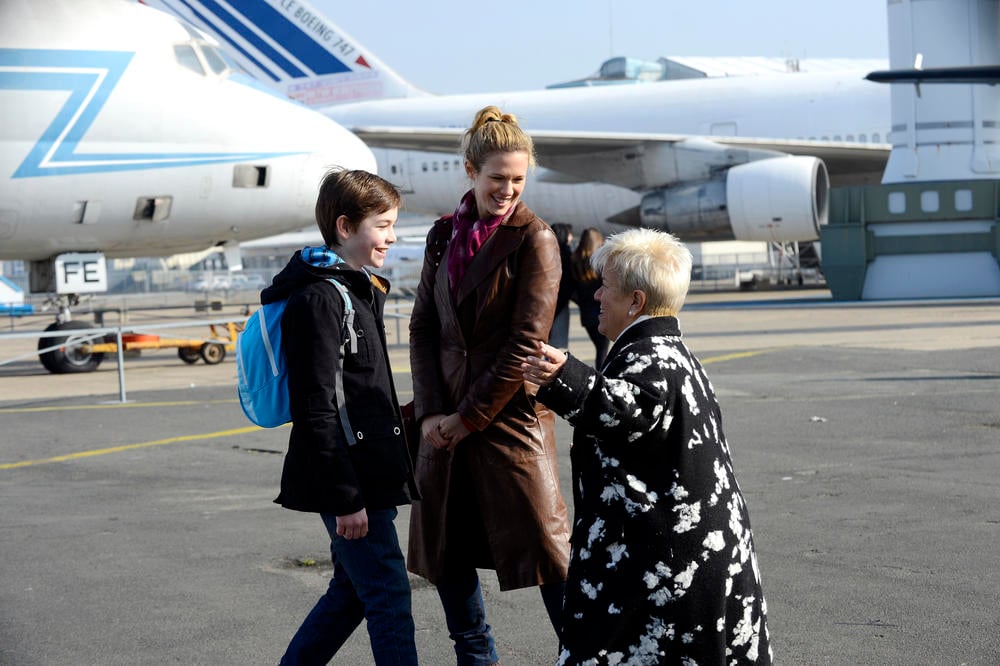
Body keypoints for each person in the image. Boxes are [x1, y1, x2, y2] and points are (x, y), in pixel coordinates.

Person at [522, 228, 773, 664]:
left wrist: (563, 377)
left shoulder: (650, 355)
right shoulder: (673, 350)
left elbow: (630, 411)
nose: (597, 295)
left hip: (666, 572)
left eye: (606, 287)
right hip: (686, 561)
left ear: (635, 301)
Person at [407, 105, 571, 665]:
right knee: (449, 562)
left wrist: (465, 418)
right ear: (470, 171)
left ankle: (586, 656)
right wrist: (430, 414)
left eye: (518, 180)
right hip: (444, 423)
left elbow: (525, 346)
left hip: (509, 426)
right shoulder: (441, 237)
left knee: (553, 566)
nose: (507, 190)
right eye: (497, 177)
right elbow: (423, 326)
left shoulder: (536, 240)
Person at [263, 169, 418, 665]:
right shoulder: (321, 299)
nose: (391, 237)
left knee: (353, 592)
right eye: (383, 225)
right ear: (345, 226)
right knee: (388, 598)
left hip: (369, 473)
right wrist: (348, 498)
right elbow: (317, 408)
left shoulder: (357, 288)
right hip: (352, 484)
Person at [570, 227, 608, 368]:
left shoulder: (575, 262)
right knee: (602, 351)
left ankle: (600, 375)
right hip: (601, 312)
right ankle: (601, 377)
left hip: (586, 315)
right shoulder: (600, 264)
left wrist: (582, 302)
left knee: (600, 349)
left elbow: (572, 291)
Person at [549, 223, 575, 349]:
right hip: (560, 305)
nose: (571, 237)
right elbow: (568, 283)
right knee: (558, 346)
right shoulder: (566, 254)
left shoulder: (545, 251)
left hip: (545, 303)